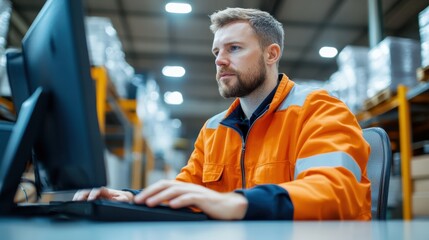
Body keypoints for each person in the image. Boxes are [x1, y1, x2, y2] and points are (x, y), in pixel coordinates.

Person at [74, 8, 371, 220]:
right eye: (217, 52)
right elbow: (188, 191)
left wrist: (237, 203)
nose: (220, 61)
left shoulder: (319, 109)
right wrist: (133, 199)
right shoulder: (214, 129)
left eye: (234, 48)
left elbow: (335, 191)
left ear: (271, 54)